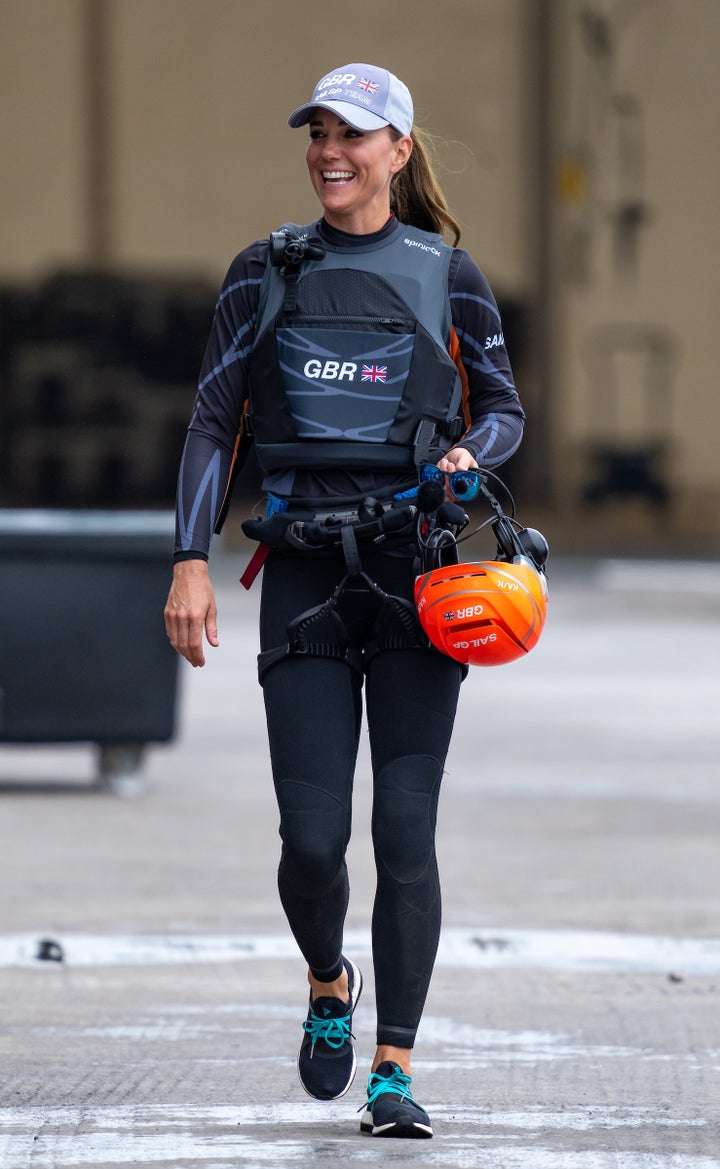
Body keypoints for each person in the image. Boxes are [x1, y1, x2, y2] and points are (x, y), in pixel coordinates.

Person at [165, 62, 525, 1139]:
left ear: (399, 151)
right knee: (314, 842)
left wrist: (470, 449)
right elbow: (209, 422)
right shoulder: (264, 271)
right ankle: (329, 982)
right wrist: (189, 557)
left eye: (355, 134)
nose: (332, 149)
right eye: (318, 130)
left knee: (405, 828)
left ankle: (394, 1069)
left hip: (420, 580)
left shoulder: (446, 274)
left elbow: (505, 410)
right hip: (309, 578)